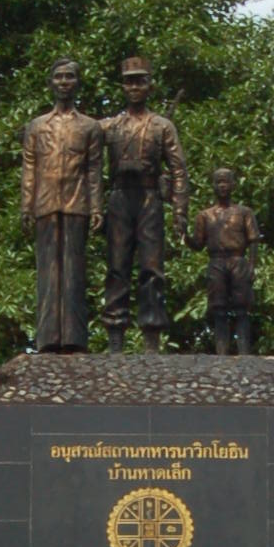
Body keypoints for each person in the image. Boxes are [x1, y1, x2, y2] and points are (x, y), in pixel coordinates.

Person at [100, 57, 188, 349]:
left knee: (152, 268)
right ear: (122, 86)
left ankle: (152, 335)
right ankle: (115, 336)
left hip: (149, 198)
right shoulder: (109, 126)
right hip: (120, 198)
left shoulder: (162, 126)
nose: (134, 86)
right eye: (129, 81)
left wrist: (179, 211)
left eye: (140, 81)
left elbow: (178, 169)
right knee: (117, 266)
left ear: (150, 85)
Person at [20, 56, 103, 350]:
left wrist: (96, 207)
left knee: (73, 272)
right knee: (48, 272)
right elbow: (30, 167)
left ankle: (73, 339)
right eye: (59, 77)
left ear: (77, 83)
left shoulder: (90, 127)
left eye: (69, 76)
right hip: (45, 203)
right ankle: (47, 339)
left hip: (76, 202)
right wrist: (26, 205)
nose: (64, 82)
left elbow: (94, 169)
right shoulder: (37, 126)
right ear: (50, 83)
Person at [191, 168, 260, 354]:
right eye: (218, 182)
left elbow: (253, 240)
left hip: (238, 260)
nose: (222, 186)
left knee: (242, 308)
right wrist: (183, 234)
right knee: (218, 308)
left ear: (233, 185)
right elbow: (197, 243)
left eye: (226, 182)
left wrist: (252, 266)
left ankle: (244, 353)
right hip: (216, 261)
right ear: (213, 186)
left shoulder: (244, 212)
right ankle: (221, 353)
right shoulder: (204, 215)